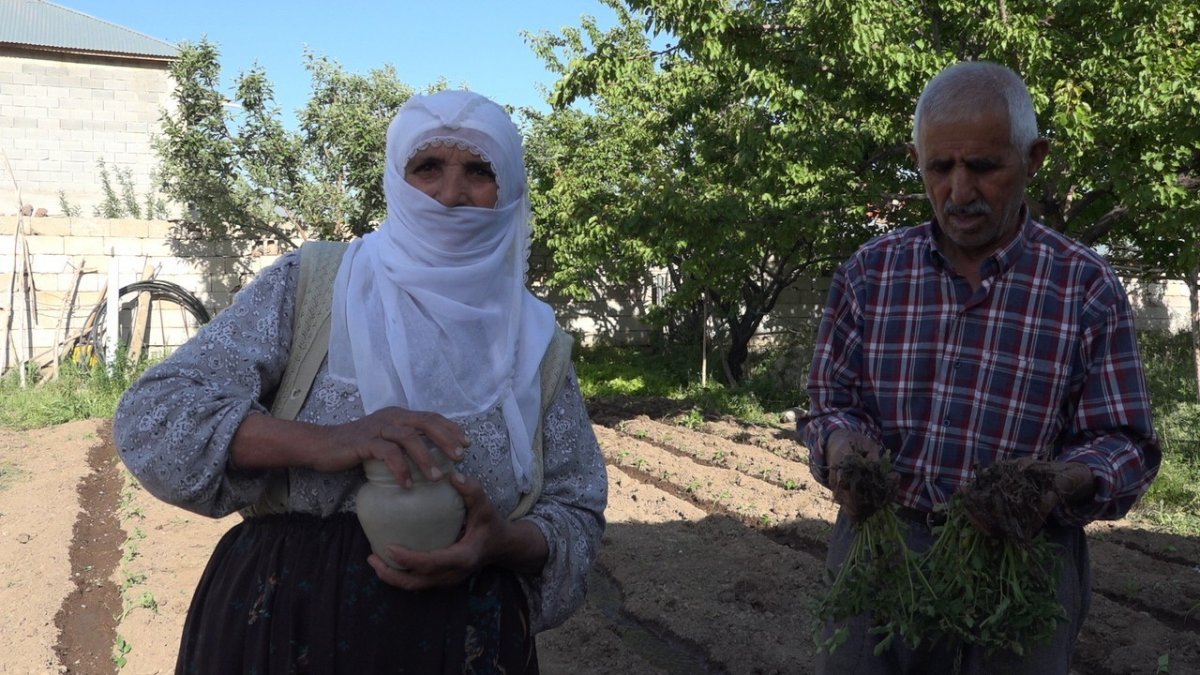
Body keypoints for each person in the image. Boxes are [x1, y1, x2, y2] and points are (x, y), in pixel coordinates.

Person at [114, 90, 608, 673]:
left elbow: (575, 512)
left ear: (509, 189)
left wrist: (500, 543)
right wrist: (328, 442)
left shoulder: (537, 343)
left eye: (479, 170)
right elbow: (155, 415)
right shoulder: (318, 285)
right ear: (396, 181)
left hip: (465, 642)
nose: (451, 195)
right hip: (281, 630)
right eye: (428, 167)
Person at [801, 61, 1159, 674]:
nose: (960, 193)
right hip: (884, 550)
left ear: (1035, 158)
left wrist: (1052, 485)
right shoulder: (872, 272)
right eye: (940, 168)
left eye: (985, 168)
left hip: (1025, 559)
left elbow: (1125, 442)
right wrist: (842, 447)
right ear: (918, 158)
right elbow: (829, 400)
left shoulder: (1084, 286)